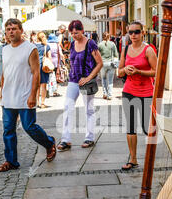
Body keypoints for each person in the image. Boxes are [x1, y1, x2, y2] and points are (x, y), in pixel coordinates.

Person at [0, 18, 56, 172]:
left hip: (24, 94)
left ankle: (49, 143)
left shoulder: (30, 48)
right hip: (8, 96)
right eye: (8, 29)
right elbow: (4, 72)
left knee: (29, 127)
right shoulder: (4, 49)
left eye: (14, 28)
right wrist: (2, 92)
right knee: (8, 130)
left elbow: (36, 73)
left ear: (21, 30)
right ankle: (11, 161)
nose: (11, 32)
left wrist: (32, 95)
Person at [57, 20, 103, 151]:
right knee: (68, 107)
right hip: (73, 80)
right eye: (71, 33)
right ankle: (66, 140)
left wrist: (89, 77)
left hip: (86, 82)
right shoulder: (72, 44)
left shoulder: (90, 43)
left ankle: (90, 137)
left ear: (82, 30)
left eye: (76, 32)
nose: (74, 35)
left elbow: (99, 63)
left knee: (89, 109)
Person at [117, 21, 157, 170]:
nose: (133, 35)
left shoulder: (148, 50)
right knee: (131, 126)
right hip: (128, 91)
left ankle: (150, 157)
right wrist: (125, 69)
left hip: (146, 93)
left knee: (148, 128)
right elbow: (119, 71)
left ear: (143, 32)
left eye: (137, 32)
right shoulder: (126, 49)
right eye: (131, 32)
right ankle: (133, 159)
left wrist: (139, 72)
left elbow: (157, 71)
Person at [98, 32, 118, 100]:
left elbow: (97, 55)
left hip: (102, 64)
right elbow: (116, 54)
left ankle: (105, 93)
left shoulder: (100, 45)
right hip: (111, 64)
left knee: (103, 79)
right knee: (110, 80)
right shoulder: (112, 44)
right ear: (109, 37)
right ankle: (110, 95)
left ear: (102, 37)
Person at [34, 32, 52, 108]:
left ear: (37, 38)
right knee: (43, 85)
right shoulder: (46, 46)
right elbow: (50, 57)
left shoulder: (33, 46)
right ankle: (42, 103)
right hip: (44, 66)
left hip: (35, 66)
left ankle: (37, 102)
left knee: (37, 86)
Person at [47, 33, 63, 98]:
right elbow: (61, 54)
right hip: (56, 63)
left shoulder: (47, 45)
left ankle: (48, 90)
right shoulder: (57, 45)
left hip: (49, 63)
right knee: (56, 77)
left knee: (49, 77)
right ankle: (55, 91)